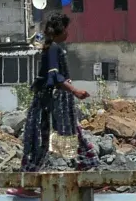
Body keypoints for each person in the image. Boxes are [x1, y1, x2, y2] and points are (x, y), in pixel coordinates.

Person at [20, 12, 97, 173]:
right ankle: (89, 166)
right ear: (61, 31)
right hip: (52, 101)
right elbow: (55, 76)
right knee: (47, 136)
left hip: (48, 100)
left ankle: (89, 166)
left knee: (47, 136)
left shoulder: (49, 47)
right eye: (66, 30)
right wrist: (75, 91)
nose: (68, 33)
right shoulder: (54, 49)